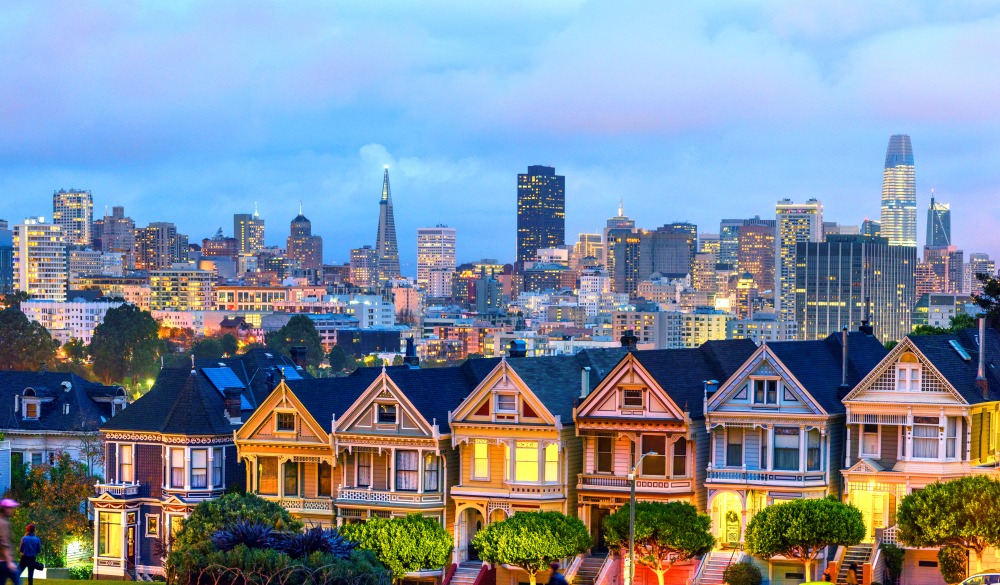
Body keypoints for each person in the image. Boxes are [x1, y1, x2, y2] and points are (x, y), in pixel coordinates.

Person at [0, 499, 19, 585]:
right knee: (18, 582)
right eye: (9, 508)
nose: (11, 510)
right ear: (4, 508)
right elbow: (4, 543)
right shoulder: (3, 523)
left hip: (2, 562)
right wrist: (9, 562)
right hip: (6, 561)